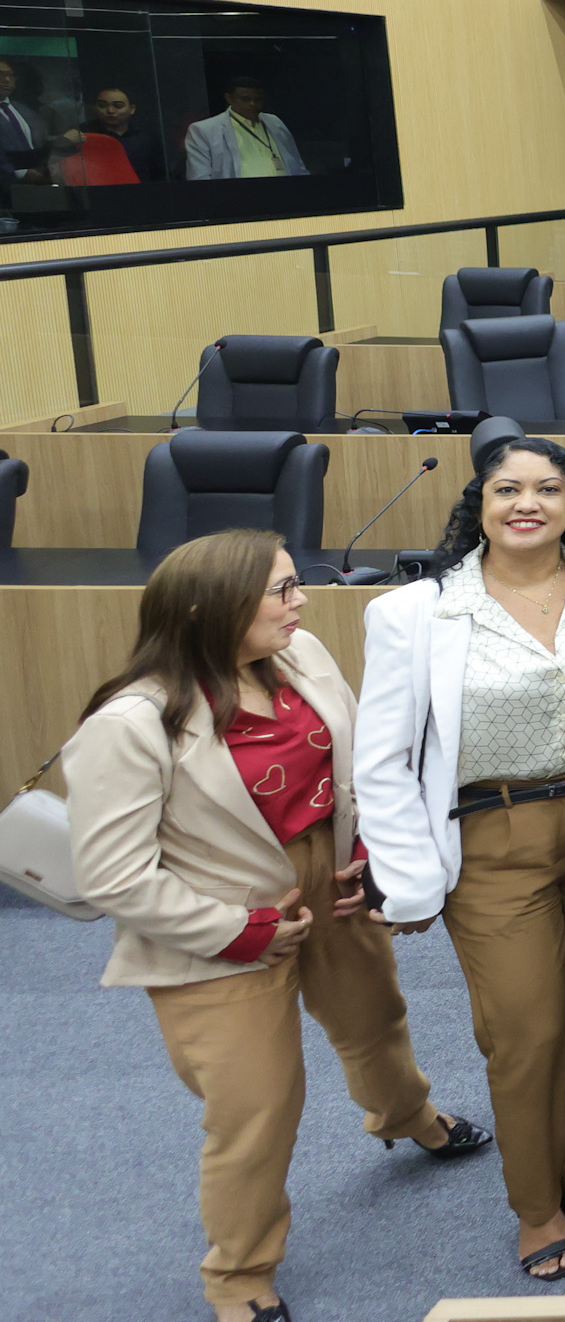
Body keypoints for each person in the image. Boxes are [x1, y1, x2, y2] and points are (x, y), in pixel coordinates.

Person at [71, 534, 488, 1320]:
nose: (301, 603)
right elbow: (112, 875)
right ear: (208, 607)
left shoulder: (303, 658)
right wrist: (243, 931)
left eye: (298, 585)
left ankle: (407, 1117)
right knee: (257, 1109)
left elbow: (361, 765)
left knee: (377, 1021)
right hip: (216, 924)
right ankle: (239, 1278)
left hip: (325, 881)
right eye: (282, 590)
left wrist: (367, 849)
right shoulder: (131, 722)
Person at [356, 435, 565, 1276]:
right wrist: (401, 880)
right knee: (527, 1028)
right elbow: (380, 760)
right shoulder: (416, 611)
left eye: (548, 489)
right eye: (508, 489)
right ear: (477, 505)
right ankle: (535, 1202)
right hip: (491, 838)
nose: (528, 503)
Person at [184, 77, 307, 179]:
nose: (252, 104)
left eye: (257, 99)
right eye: (245, 99)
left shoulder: (275, 122)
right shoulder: (205, 130)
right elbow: (199, 178)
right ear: (229, 98)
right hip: (237, 199)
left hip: (284, 195)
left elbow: (297, 163)